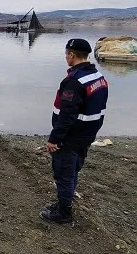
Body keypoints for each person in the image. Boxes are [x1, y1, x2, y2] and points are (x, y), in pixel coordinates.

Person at [40, 38, 108, 224]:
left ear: (71, 54)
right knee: (72, 172)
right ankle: (64, 204)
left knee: (64, 173)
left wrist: (54, 139)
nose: (65, 57)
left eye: (66, 54)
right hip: (86, 135)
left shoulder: (73, 82)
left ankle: (63, 213)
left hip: (70, 137)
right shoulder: (98, 78)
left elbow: (67, 115)